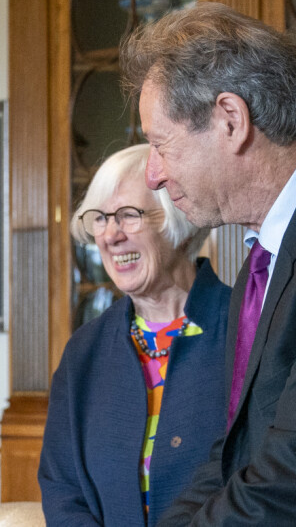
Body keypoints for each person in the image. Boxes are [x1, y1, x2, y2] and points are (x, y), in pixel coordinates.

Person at [119, 1, 296, 526]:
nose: (153, 175)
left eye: (161, 145)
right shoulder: (264, 258)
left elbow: (293, 483)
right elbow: (233, 457)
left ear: (231, 120)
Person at [38, 144, 231, 526]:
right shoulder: (85, 351)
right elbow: (61, 487)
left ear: (179, 220)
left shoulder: (246, 325)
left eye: (128, 215)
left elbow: (262, 475)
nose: (110, 235)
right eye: (100, 218)